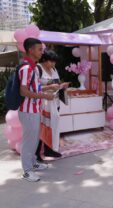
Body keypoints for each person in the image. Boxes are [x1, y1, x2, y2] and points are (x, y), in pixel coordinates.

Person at [18, 38, 54, 182]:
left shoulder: (33, 68)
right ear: (30, 50)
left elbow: (35, 88)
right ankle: (26, 171)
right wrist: (44, 95)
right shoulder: (26, 68)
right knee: (29, 140)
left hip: (34, 109)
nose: (42, 52)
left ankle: (33, 162)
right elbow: (23, 91)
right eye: (39, 49)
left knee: (34, 139)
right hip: (27, 110)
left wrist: (50, 88)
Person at [35, 50, 69, 162]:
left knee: (53, 125)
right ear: (44, 60)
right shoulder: (37, 69)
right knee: (42, 127)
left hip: (55, 102)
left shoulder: (54, 69)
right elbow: (33, 88)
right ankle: (37, 153)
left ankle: (50, 149)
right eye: (51, 62)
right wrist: (49, 87)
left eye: (55, 62)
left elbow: (57, 84)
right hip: (42, 103)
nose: (53, 64)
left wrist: (61, 86)